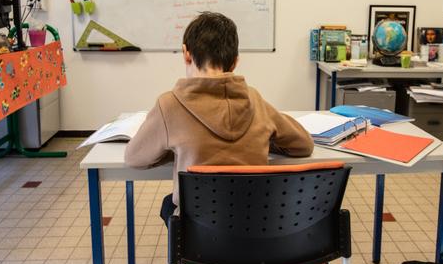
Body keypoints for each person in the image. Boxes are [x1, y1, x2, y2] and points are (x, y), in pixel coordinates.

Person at [124, 12, 314, 225]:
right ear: (234, 62)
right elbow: (304, 145)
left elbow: (134, 158)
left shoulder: (168, 105)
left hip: (197, 237)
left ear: (186, 54)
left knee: (169, 205)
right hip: (255, 229)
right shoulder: (255, 100)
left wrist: (175, 152)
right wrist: (262, 141)